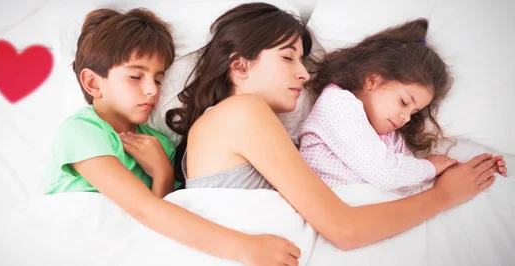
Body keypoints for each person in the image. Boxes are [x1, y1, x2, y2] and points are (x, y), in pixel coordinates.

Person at [166, 2, 501, 251]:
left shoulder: (232, 122)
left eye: (302, 60)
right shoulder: (242, 112)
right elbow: (345, 230)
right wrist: (444, 196)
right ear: (240, 66)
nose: (304, 73)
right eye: (288, 57)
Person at [46, 7, 303, 266]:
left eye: (158, 80)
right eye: (135, 76)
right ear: (92, 83)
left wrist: (163, 173)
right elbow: (144, 209)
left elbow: (160, 231)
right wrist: (243, 247)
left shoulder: (161, 145)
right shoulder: (82, 130)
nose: (151, 90)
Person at [298, 19, 508, 192]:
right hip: (334, 209)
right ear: (373, 80)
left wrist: (462, 170)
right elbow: (386, 173)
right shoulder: (337, 103)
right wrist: (430, 167)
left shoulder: (390, 134)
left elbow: (406, 180)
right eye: (404, 102)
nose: (406, 117)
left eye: (414, 112)